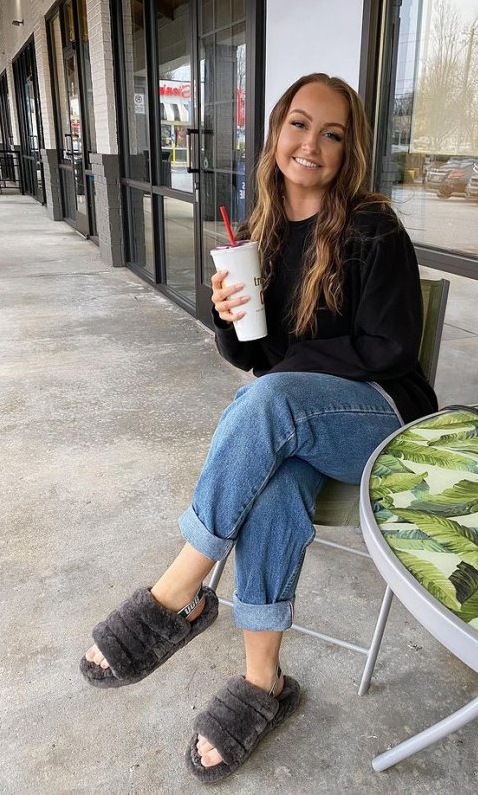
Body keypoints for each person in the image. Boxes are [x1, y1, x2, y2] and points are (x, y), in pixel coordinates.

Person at [80, 72, 437, 783]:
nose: (312, 144)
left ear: (349, 149)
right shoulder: (265, 234)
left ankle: (177, 591)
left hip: (381, 420)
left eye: (332, 133)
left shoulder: (372, 225)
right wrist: (225, 311)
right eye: (300, 125)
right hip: (301, 430)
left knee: (272, 402)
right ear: (276, 133)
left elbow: (391, 345)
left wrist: (285, 375)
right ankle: (262, 682)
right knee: (271, 485)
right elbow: (254, 357)